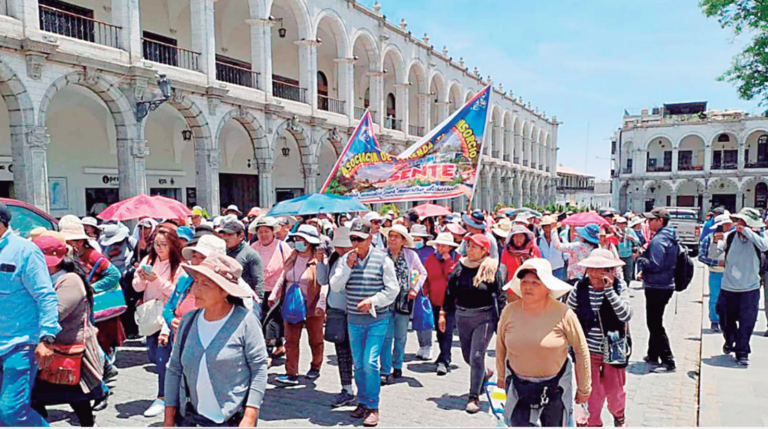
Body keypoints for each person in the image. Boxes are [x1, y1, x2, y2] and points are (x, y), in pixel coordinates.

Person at [164, 253, 268, 427]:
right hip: (191, 418)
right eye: (196, 282)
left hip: (231, 420)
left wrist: (250, 417)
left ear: (224, 291)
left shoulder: (245, 322)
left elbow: (259, 368)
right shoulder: (188, 322)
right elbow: (174, 368)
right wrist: (169, 418)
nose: (196, 290)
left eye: (205, 284)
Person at [496, 258, 591, 427]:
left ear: (547, 287)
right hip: (518, 387)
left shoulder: (564, 313)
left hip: (555, 389)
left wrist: (584, 389)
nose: (528, 286)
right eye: (524, 282)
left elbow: (580, 350)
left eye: (535, 282)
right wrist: (501, 380)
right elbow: (501, 348)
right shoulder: (509, 311)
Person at [31, 236, 107, 427]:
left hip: (71, 348)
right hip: (51, 347)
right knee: (36, 395)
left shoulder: (70, 280)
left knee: (78, 397)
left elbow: (55, 313)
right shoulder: (44, 278)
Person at [329, 219, 399, 427]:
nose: (356, 243)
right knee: (359, 364)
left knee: (370, 362)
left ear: (370, 238)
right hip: (353, 319)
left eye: (360, 238)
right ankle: (363, 400)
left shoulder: (382, 259)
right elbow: (335, 286)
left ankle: (373, 406)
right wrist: (348, 267)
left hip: (377, 319)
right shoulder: (346, 259)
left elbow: (392, 289)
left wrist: (373, 301)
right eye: (352, 238)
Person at [0, 203, 61, 427]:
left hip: (19, 344)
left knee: (11, 411)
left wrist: (47, 338)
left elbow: (46, 296)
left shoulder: (25, 250)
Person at [440, 233, 506, 414]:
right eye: (468, 245)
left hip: (484, 317)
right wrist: (443, 313)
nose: (469, 249)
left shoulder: (491, 268)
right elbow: (450, 291)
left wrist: (501, 320)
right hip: (462, 316)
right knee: (467, 356)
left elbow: (500, 296)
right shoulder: (460, 267)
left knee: (477, 356)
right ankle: (484, 373)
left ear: (485, 250)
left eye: (474, 246)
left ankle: (473, 396)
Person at [567, 249, 632, 427]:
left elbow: (626, 315)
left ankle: (619, 416)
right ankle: (592, 422)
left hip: (614, 348)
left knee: (615, 392)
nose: (596, 274)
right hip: (588, 350)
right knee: (591, 393)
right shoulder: (579, 289)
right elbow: (568, 314)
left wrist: (609, 292)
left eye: (602, 269)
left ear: (611, 270)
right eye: (592, 269)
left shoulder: (619, 286)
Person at [60, 216, 124, 376]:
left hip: (95, 307)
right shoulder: (66, 255)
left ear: (81, 241)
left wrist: (91, 288)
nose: (69, 243)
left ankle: (104, 370)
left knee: (96, 339)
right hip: (79, 308)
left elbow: (114, 274)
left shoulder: (93, 255)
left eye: (72, 240)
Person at [132, 227, 185, 417]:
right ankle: (174, 391)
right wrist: (142, 278)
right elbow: (137, 287)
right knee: (154, 355)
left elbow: (176, 294)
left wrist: (157, 280)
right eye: (156, 244)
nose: (160, 248)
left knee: (163, 358)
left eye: (164, 244)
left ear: (173, 244)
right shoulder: (148, 260)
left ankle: (163, 397)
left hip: (168, 316)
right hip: (150, 314)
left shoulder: (179, 265)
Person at [270, 225, 327, 385]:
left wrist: (321, 303)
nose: (298, 241)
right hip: (292, 305)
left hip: (312, 306)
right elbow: (284, 276)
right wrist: (275, 294)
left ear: (310, 241)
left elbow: (324, 283)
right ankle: (291, 373)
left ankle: (316, 366)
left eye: (301, 239)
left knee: (315, 340)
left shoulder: (319, 259)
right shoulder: (293, 256)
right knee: (291, 340)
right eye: (296, 238)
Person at [712, 208, 768, 366]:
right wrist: (716, 241)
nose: (739, 225)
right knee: (724, 318)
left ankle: (742, 352)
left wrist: (748, 231)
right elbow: (716, 252)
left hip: (750, 288)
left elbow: (764, 246)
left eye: (743, 222)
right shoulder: (731, 236)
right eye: (739, 222)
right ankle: (730, 340)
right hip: (728, 287)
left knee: (747, 321)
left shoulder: (760, 237)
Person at [380, 225, 427, 384]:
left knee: (400, 336)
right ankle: (385, 370)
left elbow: (422, 272)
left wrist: (414, 289)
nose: (392, 239)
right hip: (385, 301)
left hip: (403, 300)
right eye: (390, 235)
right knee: (386, 337)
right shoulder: (380, 254)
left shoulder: (410, 255)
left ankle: (397, 364)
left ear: (403, 241)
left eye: (396, 236)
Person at [317, 227, 357, 408]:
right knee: (342, 352)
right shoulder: (334, 258)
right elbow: (323, 281)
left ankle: (359, 390)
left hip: (353, 312)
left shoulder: (354, 259)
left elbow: (337, 284)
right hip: (337, 312)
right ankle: (347, 389)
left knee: (356, 354)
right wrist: (320, 263)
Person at [634, 208, 678, 372]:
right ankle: (653, 354)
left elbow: (655, 264)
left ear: (660, 221)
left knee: (654, 323)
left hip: (658, 286)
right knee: (655, 320)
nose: (648, 223)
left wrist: (640, 257)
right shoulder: (669, 235)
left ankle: (668, 359)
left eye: (651, 220)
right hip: (664, 284)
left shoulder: (659, 240)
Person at [162, 235, 228, 343]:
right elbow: (169, 307)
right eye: (194, 256)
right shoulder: (184, 280)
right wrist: (171, 320)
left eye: (202, 257)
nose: (196, 261)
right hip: (179, 344)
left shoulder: (225, 287)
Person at [250, 217, 291, 362]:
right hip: (258, 290)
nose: (263, 235)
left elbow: (289, 266)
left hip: (278, 290)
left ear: (273, 232)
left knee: (272, 320)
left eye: (266, 231)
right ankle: (278, 345)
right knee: (261, 318)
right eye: (260, 232)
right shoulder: (254, 247)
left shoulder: (282, 246)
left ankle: (267, 352)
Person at [423, 232, 460, 376]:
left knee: (447, 330)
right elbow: (426, 276)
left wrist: (448, 262)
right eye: (439, 245)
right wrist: (424, 290)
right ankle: (444, 354)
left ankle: (444, 360)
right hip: (435, 299)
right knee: (439, 331)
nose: (441, 248)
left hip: (451, 301)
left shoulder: (457, 260)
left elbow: (453, 277)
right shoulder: (431, 259)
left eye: (444, 245)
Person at [216, 216, 264, 320]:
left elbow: (258, 282)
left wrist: (258, 305)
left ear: (241, 235)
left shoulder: (250, 254)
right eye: (224, 234)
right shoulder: (223, 252)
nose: (225, 238)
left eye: (229, 235)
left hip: (245, 301)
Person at [698, 214, 733, 333]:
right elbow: (701, 256)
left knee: (730, 298)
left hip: (731, 273)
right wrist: (716, 263)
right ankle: (715, 320)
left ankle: (728, 320)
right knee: (714, 297)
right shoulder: (708, 238)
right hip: (715, 272)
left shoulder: (733, 237)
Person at [410, 224, 435, 360]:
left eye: (418, 238)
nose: (416, 240)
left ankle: (428, 345)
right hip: (411, 288)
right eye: (414, 238)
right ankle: (421, 345)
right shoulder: (407, 250)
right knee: (416, 318)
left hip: (425, 289)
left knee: (425, 316)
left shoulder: (431, 251)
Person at [501, 225, 542, 292]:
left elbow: (540, 267)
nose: (518, 239)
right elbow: (503, 270)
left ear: (525, 237)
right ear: (512, 238)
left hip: (531, 289)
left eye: (521, 236)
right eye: (516, 236)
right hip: (512, 289)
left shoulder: (533, 249)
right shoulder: (507, 251)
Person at [538, 216, 566, 281]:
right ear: (542, 228)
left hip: (559, 270)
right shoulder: (538, 241)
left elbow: (566, 256)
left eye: (549, 227)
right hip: (544, 270)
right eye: (545, 227)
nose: (547, 229)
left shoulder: (561, 239)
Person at [614, 217, 638, 281]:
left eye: (623, 223)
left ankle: (627, 287)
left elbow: (637, 241)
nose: (622, 225)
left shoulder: (630, 231)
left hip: (628, 255)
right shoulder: (615, 231)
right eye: (620, 223)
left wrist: (632, 238)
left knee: (628, 274)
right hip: (617, 255)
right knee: (617, 274)